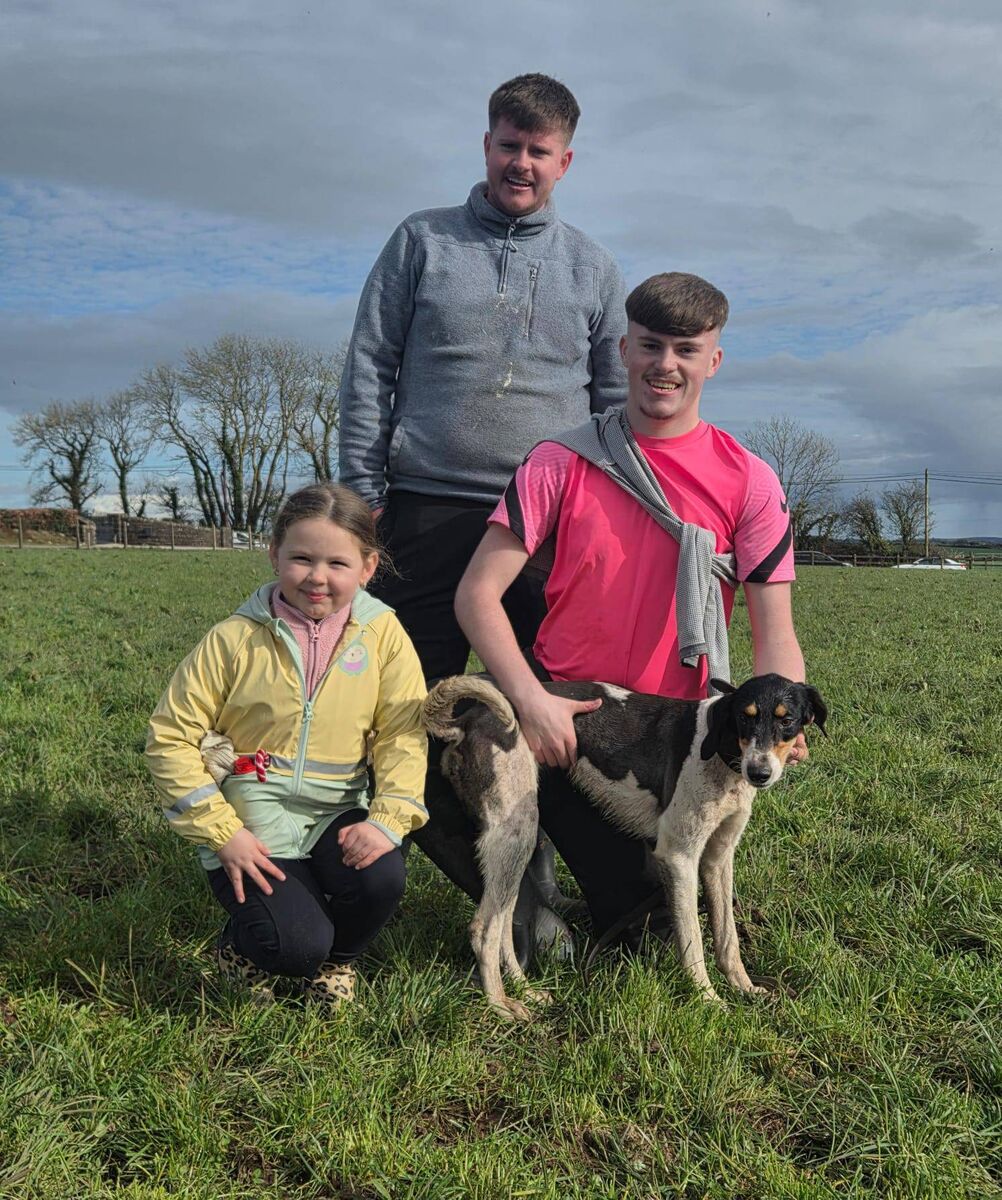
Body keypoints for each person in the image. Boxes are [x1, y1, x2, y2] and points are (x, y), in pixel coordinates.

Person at [338, 72, 628, 959]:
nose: (522, 163)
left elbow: (614, 401)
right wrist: (360, 496)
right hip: (422, 514)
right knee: (410, 716)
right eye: (509, 144)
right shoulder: (420, 241)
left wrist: (608, 515)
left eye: (540, 151)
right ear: (487, 143)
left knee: (558, 721)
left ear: (565, 161)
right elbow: (368, 366)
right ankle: (512, 897)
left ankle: (620, 901)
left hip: (545, 527)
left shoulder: (592, 267)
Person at [453, 272, 806, 940]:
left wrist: (786, 730)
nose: (665, 365)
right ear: (623, 350)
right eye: (650, 346)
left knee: (658, 933)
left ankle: (582, 878)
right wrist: (531, 701)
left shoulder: (750, 480)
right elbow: (477, 594)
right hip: (572, 722)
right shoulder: (560, 461)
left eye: (685, 349)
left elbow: (775, 635)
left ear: (714, 360)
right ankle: (529, 908)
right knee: (437, 761)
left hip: (677, 738)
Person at [146, 483, 428, 1004]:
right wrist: (222, 831)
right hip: (253, 813)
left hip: (338, 808)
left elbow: (402, 734)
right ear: (274, 554)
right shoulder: (233, 637)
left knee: (381, 878)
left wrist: (387, 818)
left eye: (338, 564)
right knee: (294, 946)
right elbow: (169, 738)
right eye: (301, 558)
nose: (318, 577)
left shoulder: (386, 635)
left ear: (368, 567)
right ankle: (241, 950)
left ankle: (338, 966)